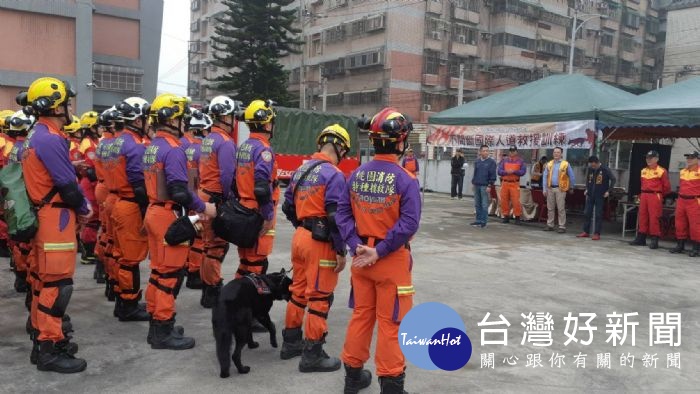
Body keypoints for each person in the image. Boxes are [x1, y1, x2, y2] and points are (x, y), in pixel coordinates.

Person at [337, 107, 420, 394]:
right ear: (400, 142)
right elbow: (409, 223)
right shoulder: (405, 179)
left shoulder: (356, 175)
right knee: (391, 324)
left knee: (361, 316)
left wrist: (355, 246)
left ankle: (352, 378)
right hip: (391, 260)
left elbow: (343, 215)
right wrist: (381, 250)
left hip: (361, 258)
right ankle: (392, 385)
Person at [20, 77, 92, 373]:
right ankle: (50, 348)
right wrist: (84, 208)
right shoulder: (50, 138)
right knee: (57, 285)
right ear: (53, 106)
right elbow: (67, 186)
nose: (69, 107)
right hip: (55, 218)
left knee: (41, 283)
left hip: (44, 214)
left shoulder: (35, 136)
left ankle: (43, 342)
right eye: (65, 102)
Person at [143, 93, 216, 350]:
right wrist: (202, 207)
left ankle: (157, 323)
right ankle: (163, 328)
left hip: (154, 211)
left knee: (157, 271)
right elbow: (180, 191)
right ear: (172, 119)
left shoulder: (153, 146)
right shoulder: (173, 150)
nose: (185, 122)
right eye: (182, 117)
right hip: (167, 214)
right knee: (169, 274)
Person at [280, 124, 350, 372]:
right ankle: (312, 355)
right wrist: (341, 250)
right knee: (320, 298)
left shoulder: (301, 169)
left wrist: (303, 225)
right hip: (320, 243)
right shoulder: (333, 175)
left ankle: (290, 342)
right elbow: (334, 217)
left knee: (298, 291)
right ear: (340, 148)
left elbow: (287, 207)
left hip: (299, 238)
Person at [109, 97, 152, 321]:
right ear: (137, 119)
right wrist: (147, 213)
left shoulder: (118, 141)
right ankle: (129, 304)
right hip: (131, 205)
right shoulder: (134, 145)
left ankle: (122, 300)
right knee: (130, 259)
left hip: (118, 202)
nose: (148, 123)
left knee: (121, 256)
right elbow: (139, 184)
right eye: (145, 118)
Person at [198, 96, 238, 308]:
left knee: (207, 245)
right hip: (215, 198)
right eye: (232, 116)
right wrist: (229, 201)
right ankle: (213, 290)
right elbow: (227, 175)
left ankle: (207, 289)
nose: (234, 120)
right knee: (216, 247)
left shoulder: (207, 140)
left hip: (203, 195)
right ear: (224, 116)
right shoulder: (225, 142)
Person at [234, 99, 278, 279]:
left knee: (245, 262)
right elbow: (261, 188)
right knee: (256, 265)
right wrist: (267, 216)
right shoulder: (263, 149)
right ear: (267, 123)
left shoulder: (244, 146)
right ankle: (247, 306)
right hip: (258, 212)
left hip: (244, 209)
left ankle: (235, 303)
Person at [183, 110, 211, 290]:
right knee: (199, 237)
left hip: (186, 196)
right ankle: (194, 273)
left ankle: (188, 267)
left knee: (190, 234)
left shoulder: (183, 145)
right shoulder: (201, 149)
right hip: (198, 196)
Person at [629, 150, 671, 249]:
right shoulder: (643, 170)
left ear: (656, 159)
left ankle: (654, 239)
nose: (648, 160)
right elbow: (642, 184)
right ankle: (641, 238)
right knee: (642, 216)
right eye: (647, 158)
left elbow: (667, 187)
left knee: (654, 218)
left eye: (651, 158)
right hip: (644, 195)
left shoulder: (662, 171)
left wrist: (659, 195)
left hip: (655, 195)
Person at [76, 112, 101, 267]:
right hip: (90, 184)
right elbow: (91, 169)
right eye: (98, 126)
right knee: (92, 221)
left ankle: (90, 252)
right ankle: (88, 253)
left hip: (92, 183)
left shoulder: (93, 141)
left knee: (95, 220)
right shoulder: (88, 143)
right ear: (91, 127)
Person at [576, 156, 616, 240]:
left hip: (600, 195)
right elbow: (587, 179)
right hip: (590, 195)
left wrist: (608, 191)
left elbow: (613, 179)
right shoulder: (590, 169)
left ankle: (597, 233)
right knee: (587, 213)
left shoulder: (605, 169)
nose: (593, 167)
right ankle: (586, 231)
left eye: (594, 165)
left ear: (598, 163)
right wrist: (587, 188)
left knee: (598, 214)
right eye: (591, 165)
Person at [670, 151, 700, 256]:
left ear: (697, 159)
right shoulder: (683, 171)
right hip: (682, 200)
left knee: (695, 224)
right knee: (679, 223)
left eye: (691, 157)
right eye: (687, 157)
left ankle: (696, 248)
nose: (689, 159)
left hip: (694, 201)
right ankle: (680, 245)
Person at [542, 147, 575, 233]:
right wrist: (544, 189)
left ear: (561, 154)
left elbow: (571, 176)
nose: (556, 154)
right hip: (550, 188)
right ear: (553, 154)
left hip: (560, 189)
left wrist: (571, 187)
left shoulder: (565, 164)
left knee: (560, 208)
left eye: (558, 152)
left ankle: (562, 226)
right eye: (555, 152)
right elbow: (545, 177)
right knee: (550, 208)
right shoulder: (549, 164)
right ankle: (550, 225)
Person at [498, 146, 526, 224]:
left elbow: (523, 172)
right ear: (509, 152)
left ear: (516, 152)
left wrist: (514, 171)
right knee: (504, 200)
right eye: (510, 151)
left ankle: (517, 217)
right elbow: (499, 171)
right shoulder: (504, 161)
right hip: (505, 183)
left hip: (515, 183)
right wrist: (506, 172)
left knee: (516, 201)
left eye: (513, 151)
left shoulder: (520, 161)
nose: (512, 152)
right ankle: (505, 216)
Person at [470, 145, 496, 228]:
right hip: (477, 184)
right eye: (484, 151)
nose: (486, 152)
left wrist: (489, 185)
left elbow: (493, 175)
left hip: (485, 186)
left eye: (487, 151)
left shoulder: (491, 162)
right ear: (480, 152)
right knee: (477, 204)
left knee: (484, 204)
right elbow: (475, 173)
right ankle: (478, 220)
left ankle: (483, 221)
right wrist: (473, 183)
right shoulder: (477, 162)